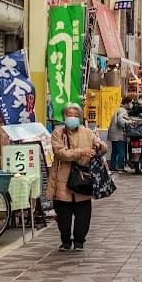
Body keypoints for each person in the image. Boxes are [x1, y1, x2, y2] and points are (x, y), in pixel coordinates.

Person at [49, 103, 107, 251]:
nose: (72, 118)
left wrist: (99, 146)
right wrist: (82, 152)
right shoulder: (58, 133)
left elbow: (102, 145)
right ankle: (66, 240)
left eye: (76, 115)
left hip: (83, 179)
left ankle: (80, 240)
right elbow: (60, 152)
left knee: (83, 215)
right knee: (63, 215)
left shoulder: (87, 132)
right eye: (69, 115)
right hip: (63, 178)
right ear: (64, 116)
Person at [107, 96, 133, 170]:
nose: (131, 104)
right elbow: (120, 121)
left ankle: (113, 166)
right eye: (130, 103)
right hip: (118, 134)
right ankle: (121, 167)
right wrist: (129, 123)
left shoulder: (119, 109)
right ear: (126, 103)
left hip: (113, 134)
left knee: (114, 151)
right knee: (121, 152)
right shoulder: (122, 110)